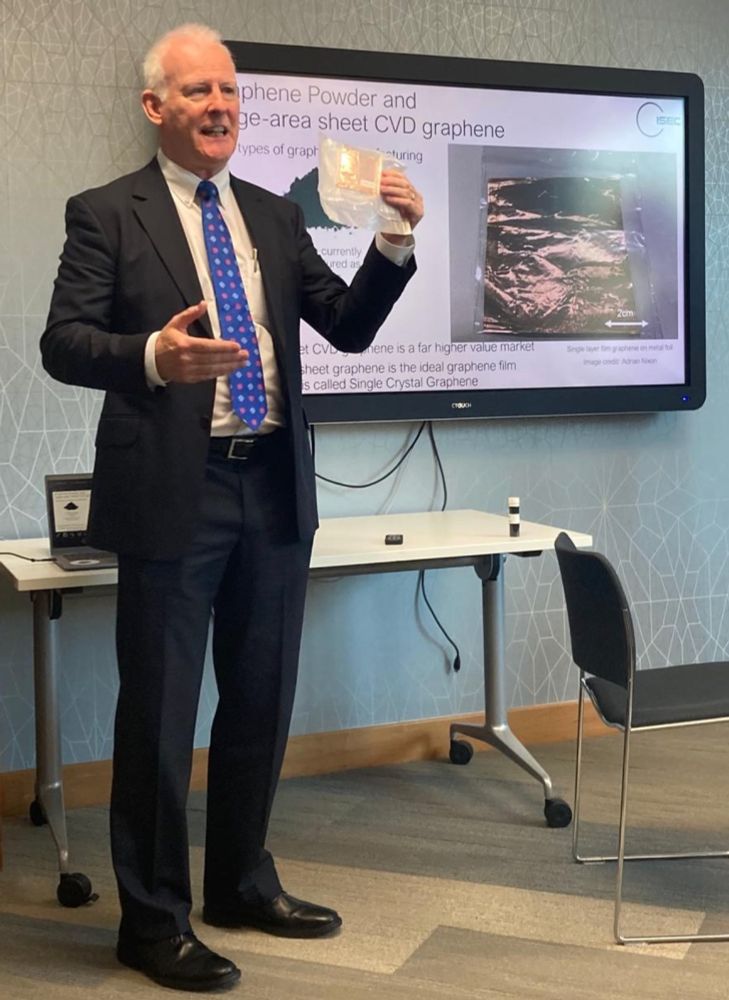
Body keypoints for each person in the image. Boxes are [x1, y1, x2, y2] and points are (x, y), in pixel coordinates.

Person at [41, 22, 423, 995]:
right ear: (155, 106)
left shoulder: (272, 216)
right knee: (162, 714)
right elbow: (64, 341)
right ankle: (153, 921)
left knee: (260, 698)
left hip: (274, 485)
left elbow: (349, 328)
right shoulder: (106, 213)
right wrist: (153, 357)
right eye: (199, 91)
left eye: (231, 93)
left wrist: (393, 240)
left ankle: (242, 882)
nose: (221, 106)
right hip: (175, 491)